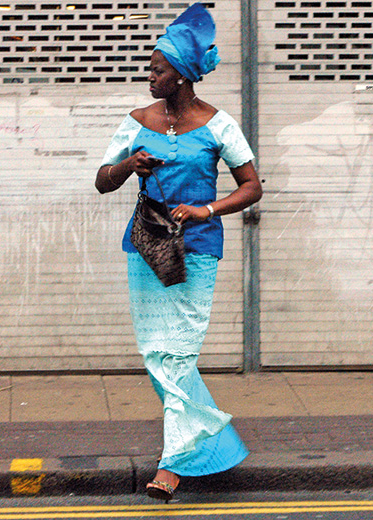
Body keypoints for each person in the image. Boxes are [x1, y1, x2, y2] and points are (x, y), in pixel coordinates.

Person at [95, 3, 263, 503]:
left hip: (198, 250)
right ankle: (213, 442)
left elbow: (252, 186)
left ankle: (171, 464)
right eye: (150, 68)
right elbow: (102, 181)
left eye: (159, 69)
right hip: (148, 246)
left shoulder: (218, 125)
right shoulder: (136, 120)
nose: (150, 77)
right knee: (156, 352)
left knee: (180, 352)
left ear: (183, 76)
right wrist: (129, 164)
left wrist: (208, 209)